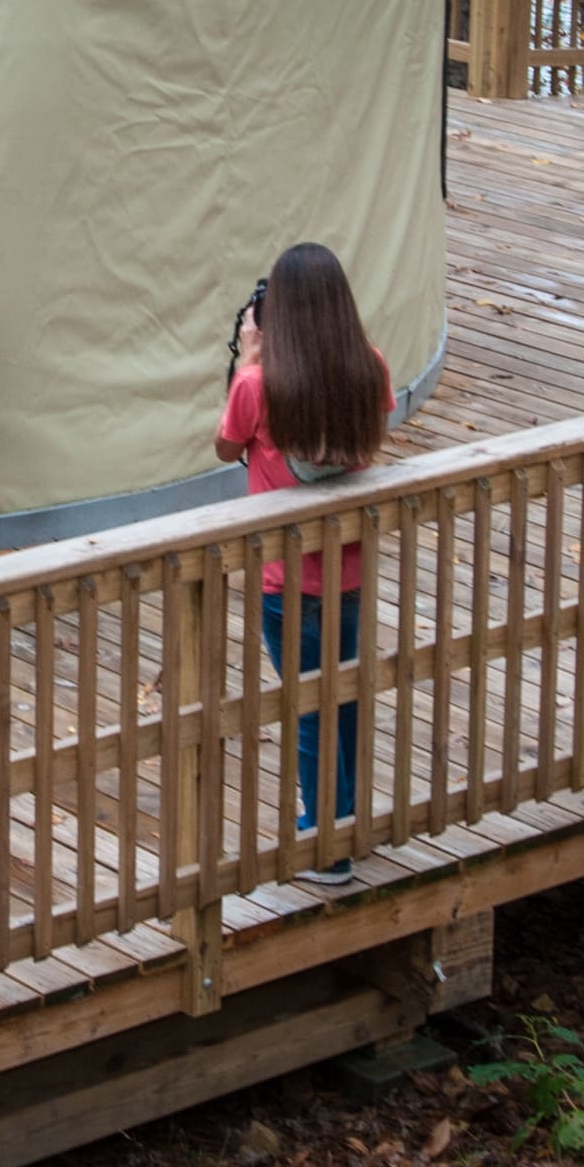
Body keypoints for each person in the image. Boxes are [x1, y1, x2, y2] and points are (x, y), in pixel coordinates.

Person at [215, 241, 393, 887]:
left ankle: (325, 844)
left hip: (285, 576)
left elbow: (224, 445)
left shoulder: (261, 385)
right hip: (349, 569)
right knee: (341, 697)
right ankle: (344, 820)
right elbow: (378, 425)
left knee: (308, 706)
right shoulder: (369, 367)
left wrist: (248, 359)